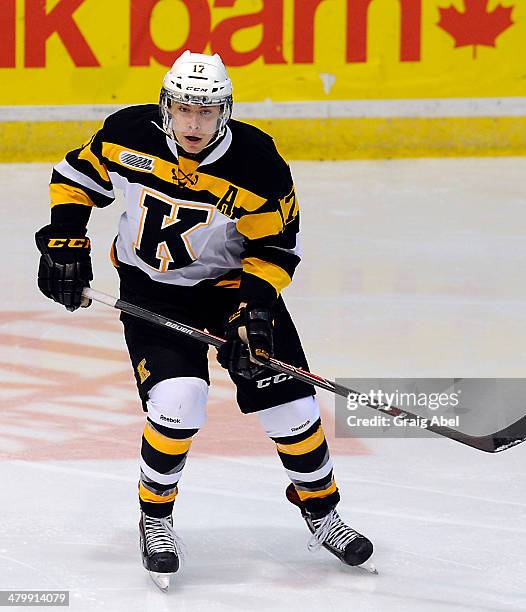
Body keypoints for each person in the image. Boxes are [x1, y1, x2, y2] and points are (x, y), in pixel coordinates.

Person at [35, 51, 374, 588]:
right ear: (166, 105)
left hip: (232, 291)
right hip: (153, 291)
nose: (193, 123)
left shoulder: (257, 161)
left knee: (291, 406)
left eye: (207, 111)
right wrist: (64, 237)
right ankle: (156, 518)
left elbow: (277, 246)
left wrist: (254, 310)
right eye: (184, 108)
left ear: (226, 111)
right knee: (178, 400)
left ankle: (322, 512)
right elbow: (76, 175)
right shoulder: (128, 132)